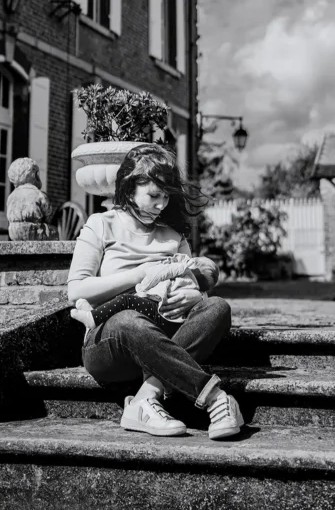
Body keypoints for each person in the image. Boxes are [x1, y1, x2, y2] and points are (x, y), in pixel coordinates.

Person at [67, 143, 244, 440]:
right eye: (153, 195)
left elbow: (191, 276)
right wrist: (138, 274)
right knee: (128, 320)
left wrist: (195, 298)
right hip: (109, 340)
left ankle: (146, 398)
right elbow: (76, 290)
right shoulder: (101, 224)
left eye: (165, 197)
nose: (161, 204)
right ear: (129, 186)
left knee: (217, 307)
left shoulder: (174, 236)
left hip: (165, 330)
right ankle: (215, 399)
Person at [71, 253, 204, 330]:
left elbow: (158, 274)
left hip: (158, 312)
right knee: (127, 316)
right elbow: (74, 292)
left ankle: (93, 318)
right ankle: (95, 316)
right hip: (170, 320)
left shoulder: (182, 268)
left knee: (126, 300)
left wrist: (141, 287)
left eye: (196, 260)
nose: (190, 258)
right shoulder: (192, 283)